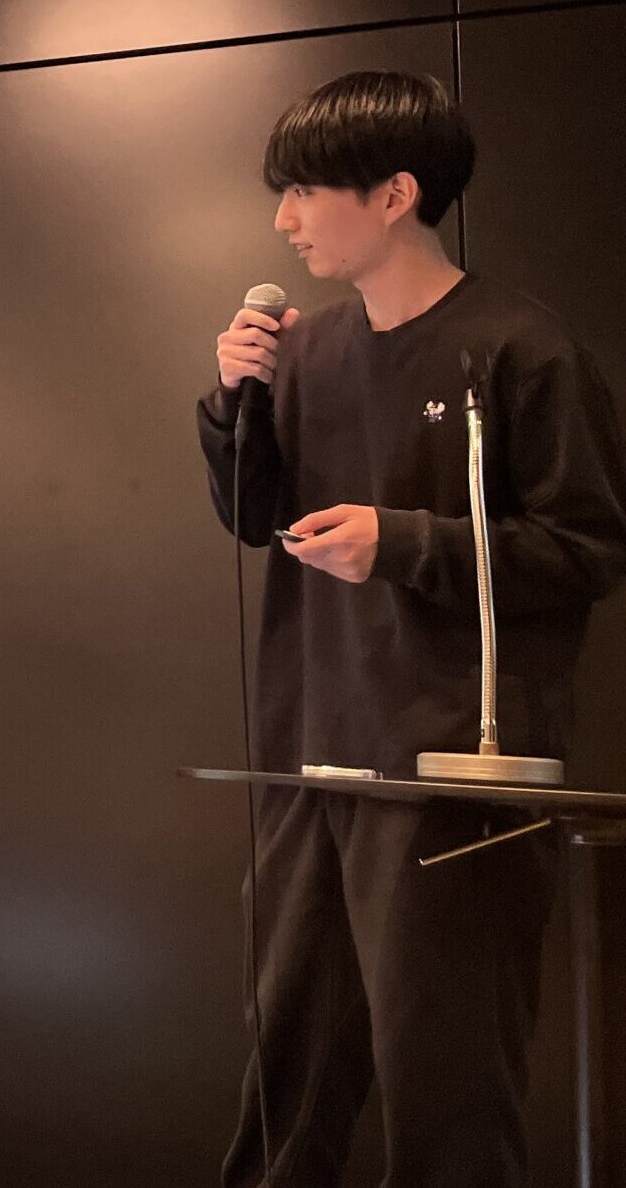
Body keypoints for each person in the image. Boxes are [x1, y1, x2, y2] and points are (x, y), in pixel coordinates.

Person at [198, 70, 626, 1187]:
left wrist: (402, 541)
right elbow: (252, 513)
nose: (284, 220)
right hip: (311, 762)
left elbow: (588, 548)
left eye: (304, 191)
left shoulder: (519, 349)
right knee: (286, 1082)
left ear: (394, 194)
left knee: (450, 1093)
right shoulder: (306, 350)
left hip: (454, 784)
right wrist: (232, 402)